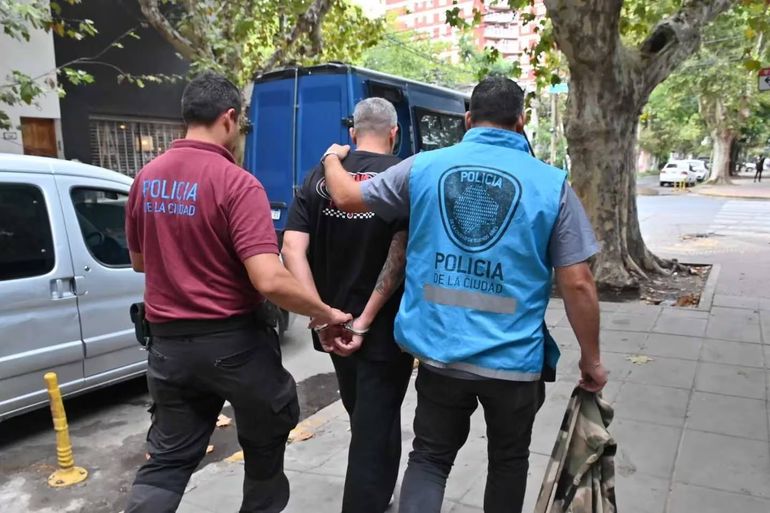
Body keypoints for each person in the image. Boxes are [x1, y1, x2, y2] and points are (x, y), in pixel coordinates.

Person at [319, 75, 608, 513]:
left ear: (468, 119)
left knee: (430, 459)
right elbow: (578, 282)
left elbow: (345, 196)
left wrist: (331, 157)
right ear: (521, 122)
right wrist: (591, 359)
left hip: (441, 356)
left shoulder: (423, 167)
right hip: (513, 363)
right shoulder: (551, 185)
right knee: (508, 462)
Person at [124, 72, 350, 513]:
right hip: (234, 346)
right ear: (229, 118)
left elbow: (140, 261)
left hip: (168, 348)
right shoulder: (236, 183)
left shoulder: (145, 180)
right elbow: (268, 278)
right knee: (264, 447)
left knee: (167, 462)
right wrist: (324, 311)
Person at [281, 97, 414, 513]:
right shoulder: (402, 176)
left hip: (332, 325)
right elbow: (402, 252)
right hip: (383, 329)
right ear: (394, 134)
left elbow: (290, 247)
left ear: (353, 133)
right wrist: (365, 321)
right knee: (376, 424)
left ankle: (377, 491)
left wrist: (320, 314)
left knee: (365, 412)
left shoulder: (318, 176)